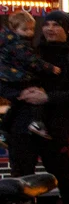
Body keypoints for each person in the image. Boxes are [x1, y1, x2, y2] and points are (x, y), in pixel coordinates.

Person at [7, 11, 69, 204]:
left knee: (63, 175)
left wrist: (48, 98)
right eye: (47, 24)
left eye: (56, 24)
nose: (50, 29)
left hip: (56, 126)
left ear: (67, 28)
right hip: (22, 124)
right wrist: (22, 93)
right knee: (21, 178)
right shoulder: (30, 52)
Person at [0, 10, 47, 138]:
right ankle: (35, 122)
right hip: (15, 76)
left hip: (12, 76)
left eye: (31, 29)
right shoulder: (18, 44)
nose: (30, 32)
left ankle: (4, 128)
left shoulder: (9, 41)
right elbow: (29, 60)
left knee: (19, 102)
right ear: (15, 29)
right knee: (33, 96)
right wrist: (48, 67)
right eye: (25, 29)